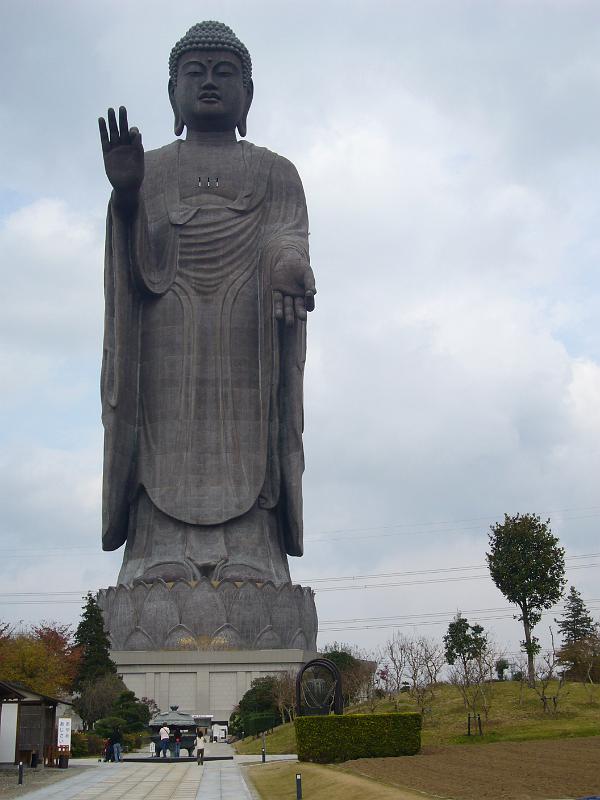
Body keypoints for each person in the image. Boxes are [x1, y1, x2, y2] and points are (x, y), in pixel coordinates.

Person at [99, 20, 316, 588]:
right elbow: (133, 264)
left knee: (252, 428)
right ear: (173, 91)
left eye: (226, 73)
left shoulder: (276, 171)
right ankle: (153, 553)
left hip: (248, 329)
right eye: (195, 73)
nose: (210, 83)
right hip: (165, 327)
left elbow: (287, 237)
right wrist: (125, 195)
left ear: (248, 92)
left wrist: (289, 266)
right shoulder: (154, 169)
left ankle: (254, 554)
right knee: (159, 428)